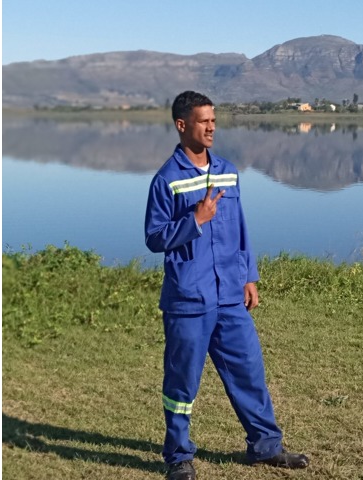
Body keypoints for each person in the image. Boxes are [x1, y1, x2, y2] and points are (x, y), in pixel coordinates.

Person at [144, 91, 310, 480]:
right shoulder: (167, 179)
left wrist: (249, 276)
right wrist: (195, 220)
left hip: (230, 296)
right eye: (203, 121)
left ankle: (265, 447)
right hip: (189, 298)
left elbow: (240, 229)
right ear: (182, 125)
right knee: (182, 383)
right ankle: (178, 456)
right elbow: (153, 237)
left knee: (248, 370)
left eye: (213, 120)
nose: (211, 127)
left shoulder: (228, 171)